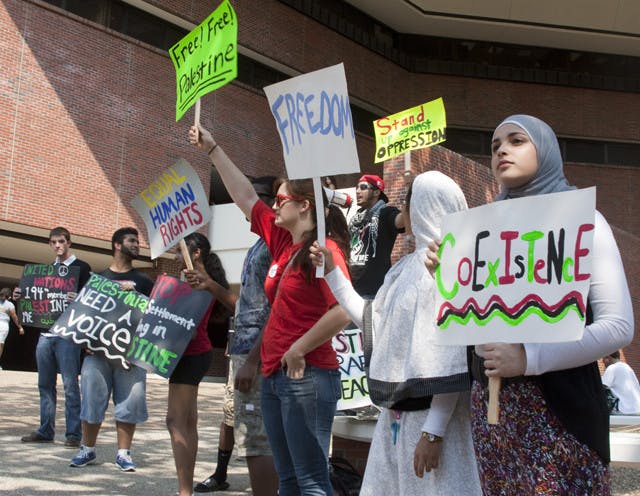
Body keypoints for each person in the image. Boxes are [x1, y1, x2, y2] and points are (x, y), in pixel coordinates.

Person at [426, 115, 634, 494]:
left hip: (561, 414)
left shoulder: (585, 221)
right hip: (493, 421)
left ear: (547, 149)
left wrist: (529, 357)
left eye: (517, 140)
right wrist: (447, 279)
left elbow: (618, 327)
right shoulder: (478, 234)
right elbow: (475, 328)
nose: (502, 150)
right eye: (494, 145)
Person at [189, 123, 351, 495]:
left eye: (282, 200)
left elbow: (343, 311)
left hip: (307, 376)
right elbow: (246, 197)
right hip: (276, 375)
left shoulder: (323, 250)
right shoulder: (283, 242)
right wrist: (213, 148)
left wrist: (298, 348)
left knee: (310, 480)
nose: (274, 205)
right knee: (289, 479)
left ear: (305, 205)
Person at [311, 172, 481, 495]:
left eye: (409, 199)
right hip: (396, 424)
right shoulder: (403, 269)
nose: (405, 208)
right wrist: (334, 272)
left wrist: (434, 431)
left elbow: (451, 358)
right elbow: (370, 320)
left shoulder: (454, 267)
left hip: (432, 427)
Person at [193, 177, 279, 495]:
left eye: (254, 197)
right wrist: (209, 284)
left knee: (258, 441)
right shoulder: (257, 246)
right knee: (244, 429)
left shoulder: (273, 245)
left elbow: (277, 310)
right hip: (242, 352)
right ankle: (220, 473)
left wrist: (252, 361)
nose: (245, 207)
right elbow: (243, 308)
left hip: (257, 356)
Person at [70, 227, 154, 471]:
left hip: (130, 356)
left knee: (130, 404)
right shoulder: (97, 279)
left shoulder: (145, 282)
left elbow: (153, 319)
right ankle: (87, 450)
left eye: (137, 241)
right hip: (96, 354)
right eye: (131, 241)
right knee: (92, 401)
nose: (137, 245)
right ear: (117, 245)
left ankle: (124, 454)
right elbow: (84, 314)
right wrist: (85, 342)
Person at [167, 233, 230, 496]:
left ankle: (184, 492)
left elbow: (186, 325)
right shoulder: (202, 282)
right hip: (194, 354)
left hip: (190, 354)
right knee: (187, 421)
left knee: (176, 421)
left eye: (180, 250)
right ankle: (185, 490)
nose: (175, 256)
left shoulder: (199, 283)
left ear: (195, 254)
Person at [21, 227, 91, 447]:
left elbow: (92, 300)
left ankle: (73, 434)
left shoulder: (82, 268)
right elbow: (35, 298)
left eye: (61, 241)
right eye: (53, 242)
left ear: (69, 242)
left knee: (70, 384)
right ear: (50, 245)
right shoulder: (46, 271)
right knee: (44, 383)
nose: (58, 245)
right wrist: (21, 294)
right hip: (45, 333)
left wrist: (78, 297)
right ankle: (45, 430)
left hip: (68, 334)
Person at [349, 174, 405, 297]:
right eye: (357, 188)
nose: (358, 191)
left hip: (374, 293)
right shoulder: (355, 219)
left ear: (376, 192)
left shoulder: (386, 213)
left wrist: (410, 198)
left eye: (363, 187)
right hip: (351, 292)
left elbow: (401, 221)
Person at [602, 351, 640, 415]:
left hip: (625, 410)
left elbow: (601, 388)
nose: (603, 363)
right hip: (637, 408)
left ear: (608, 358)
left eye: (603, 360)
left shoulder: (612, 368)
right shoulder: (627, 367)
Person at [0, 287, 24, 365]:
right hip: (3, 324)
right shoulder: (10, 304)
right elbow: (14, 317)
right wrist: (20, 327)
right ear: (9, 296)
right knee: (0, 344)